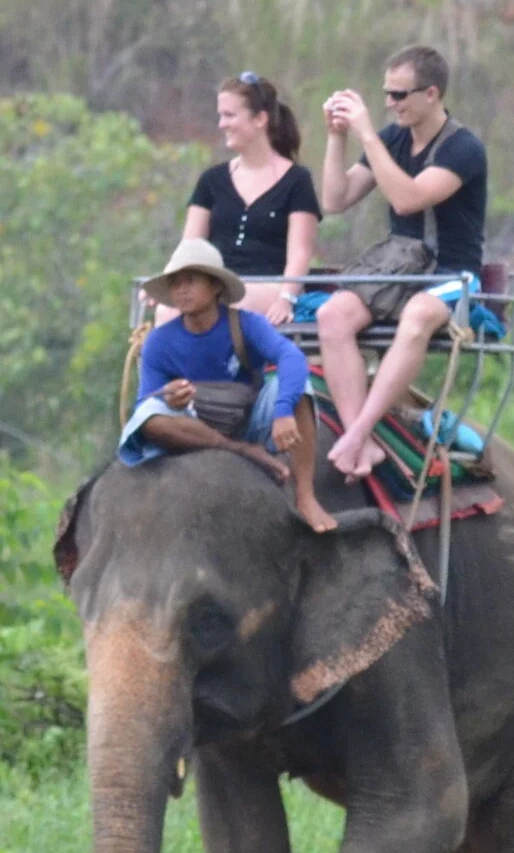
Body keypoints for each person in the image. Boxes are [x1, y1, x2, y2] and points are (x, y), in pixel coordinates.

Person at [315, 44, 490, 482]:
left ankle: (356, 434)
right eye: (386, 95)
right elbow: (335, 200)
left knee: (418, 316)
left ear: (431, 94)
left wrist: (368, 136)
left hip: (451, 272)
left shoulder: (463, 148)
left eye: (400, 95)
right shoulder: (393, 138)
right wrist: (337, 138)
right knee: (332, 315)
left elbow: (408, 199)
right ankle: (366, 444)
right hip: (399, 268)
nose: (391, 104)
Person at [118, 240, 331, 530]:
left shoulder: (246, 323)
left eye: (190, 280)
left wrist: (282, 412)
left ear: (216, 285)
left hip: (249, 419)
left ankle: (305, 496)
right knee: (148, 417)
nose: (181, 289)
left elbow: (290, 356)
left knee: (297, 388)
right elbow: (145, 402)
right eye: (175, 283)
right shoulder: (159, 341)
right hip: (194, 427)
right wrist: (169, 397)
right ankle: (240, 450)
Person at [172, 73, 320, 327]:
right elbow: (189, 245)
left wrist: (286, 298)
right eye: (220, 115)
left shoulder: (297, 180)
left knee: (228, 305)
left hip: (268, 285)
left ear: (260, 119)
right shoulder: (211, 180)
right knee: (169, 312)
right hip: (214, 283)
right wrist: (165, 284)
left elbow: (300, 252)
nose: (221, 124)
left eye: (229, 115)